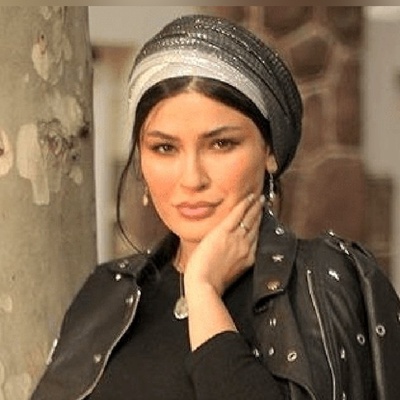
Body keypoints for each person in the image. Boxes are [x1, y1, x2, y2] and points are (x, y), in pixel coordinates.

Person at [31, 14, 400, 400]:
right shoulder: (106, 294)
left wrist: (203, 292)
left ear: (270, 152)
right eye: (164, 148)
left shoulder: (323, 279)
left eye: (221, 144)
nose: (192, 179)